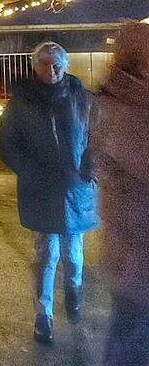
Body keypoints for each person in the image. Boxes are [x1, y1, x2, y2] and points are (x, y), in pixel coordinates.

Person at [0, 41, 98, 345]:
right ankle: (43, 316)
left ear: (65, 65)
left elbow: (97, 137)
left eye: (56, 64)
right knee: (46, 254)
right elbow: (6, 142)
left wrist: (90, 167)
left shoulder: (82, 98)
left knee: (73, 252)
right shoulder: (22, 101)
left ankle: (74, 290)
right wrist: (27, 170)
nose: (51, 70)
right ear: (35, 67)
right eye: (45, 65)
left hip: (75, 188)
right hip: (40, 189)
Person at [88, 22, 149, 364]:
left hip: (130, 250)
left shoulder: (117, 99)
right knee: (131, 340)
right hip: (135, 252)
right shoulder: (126, 106)